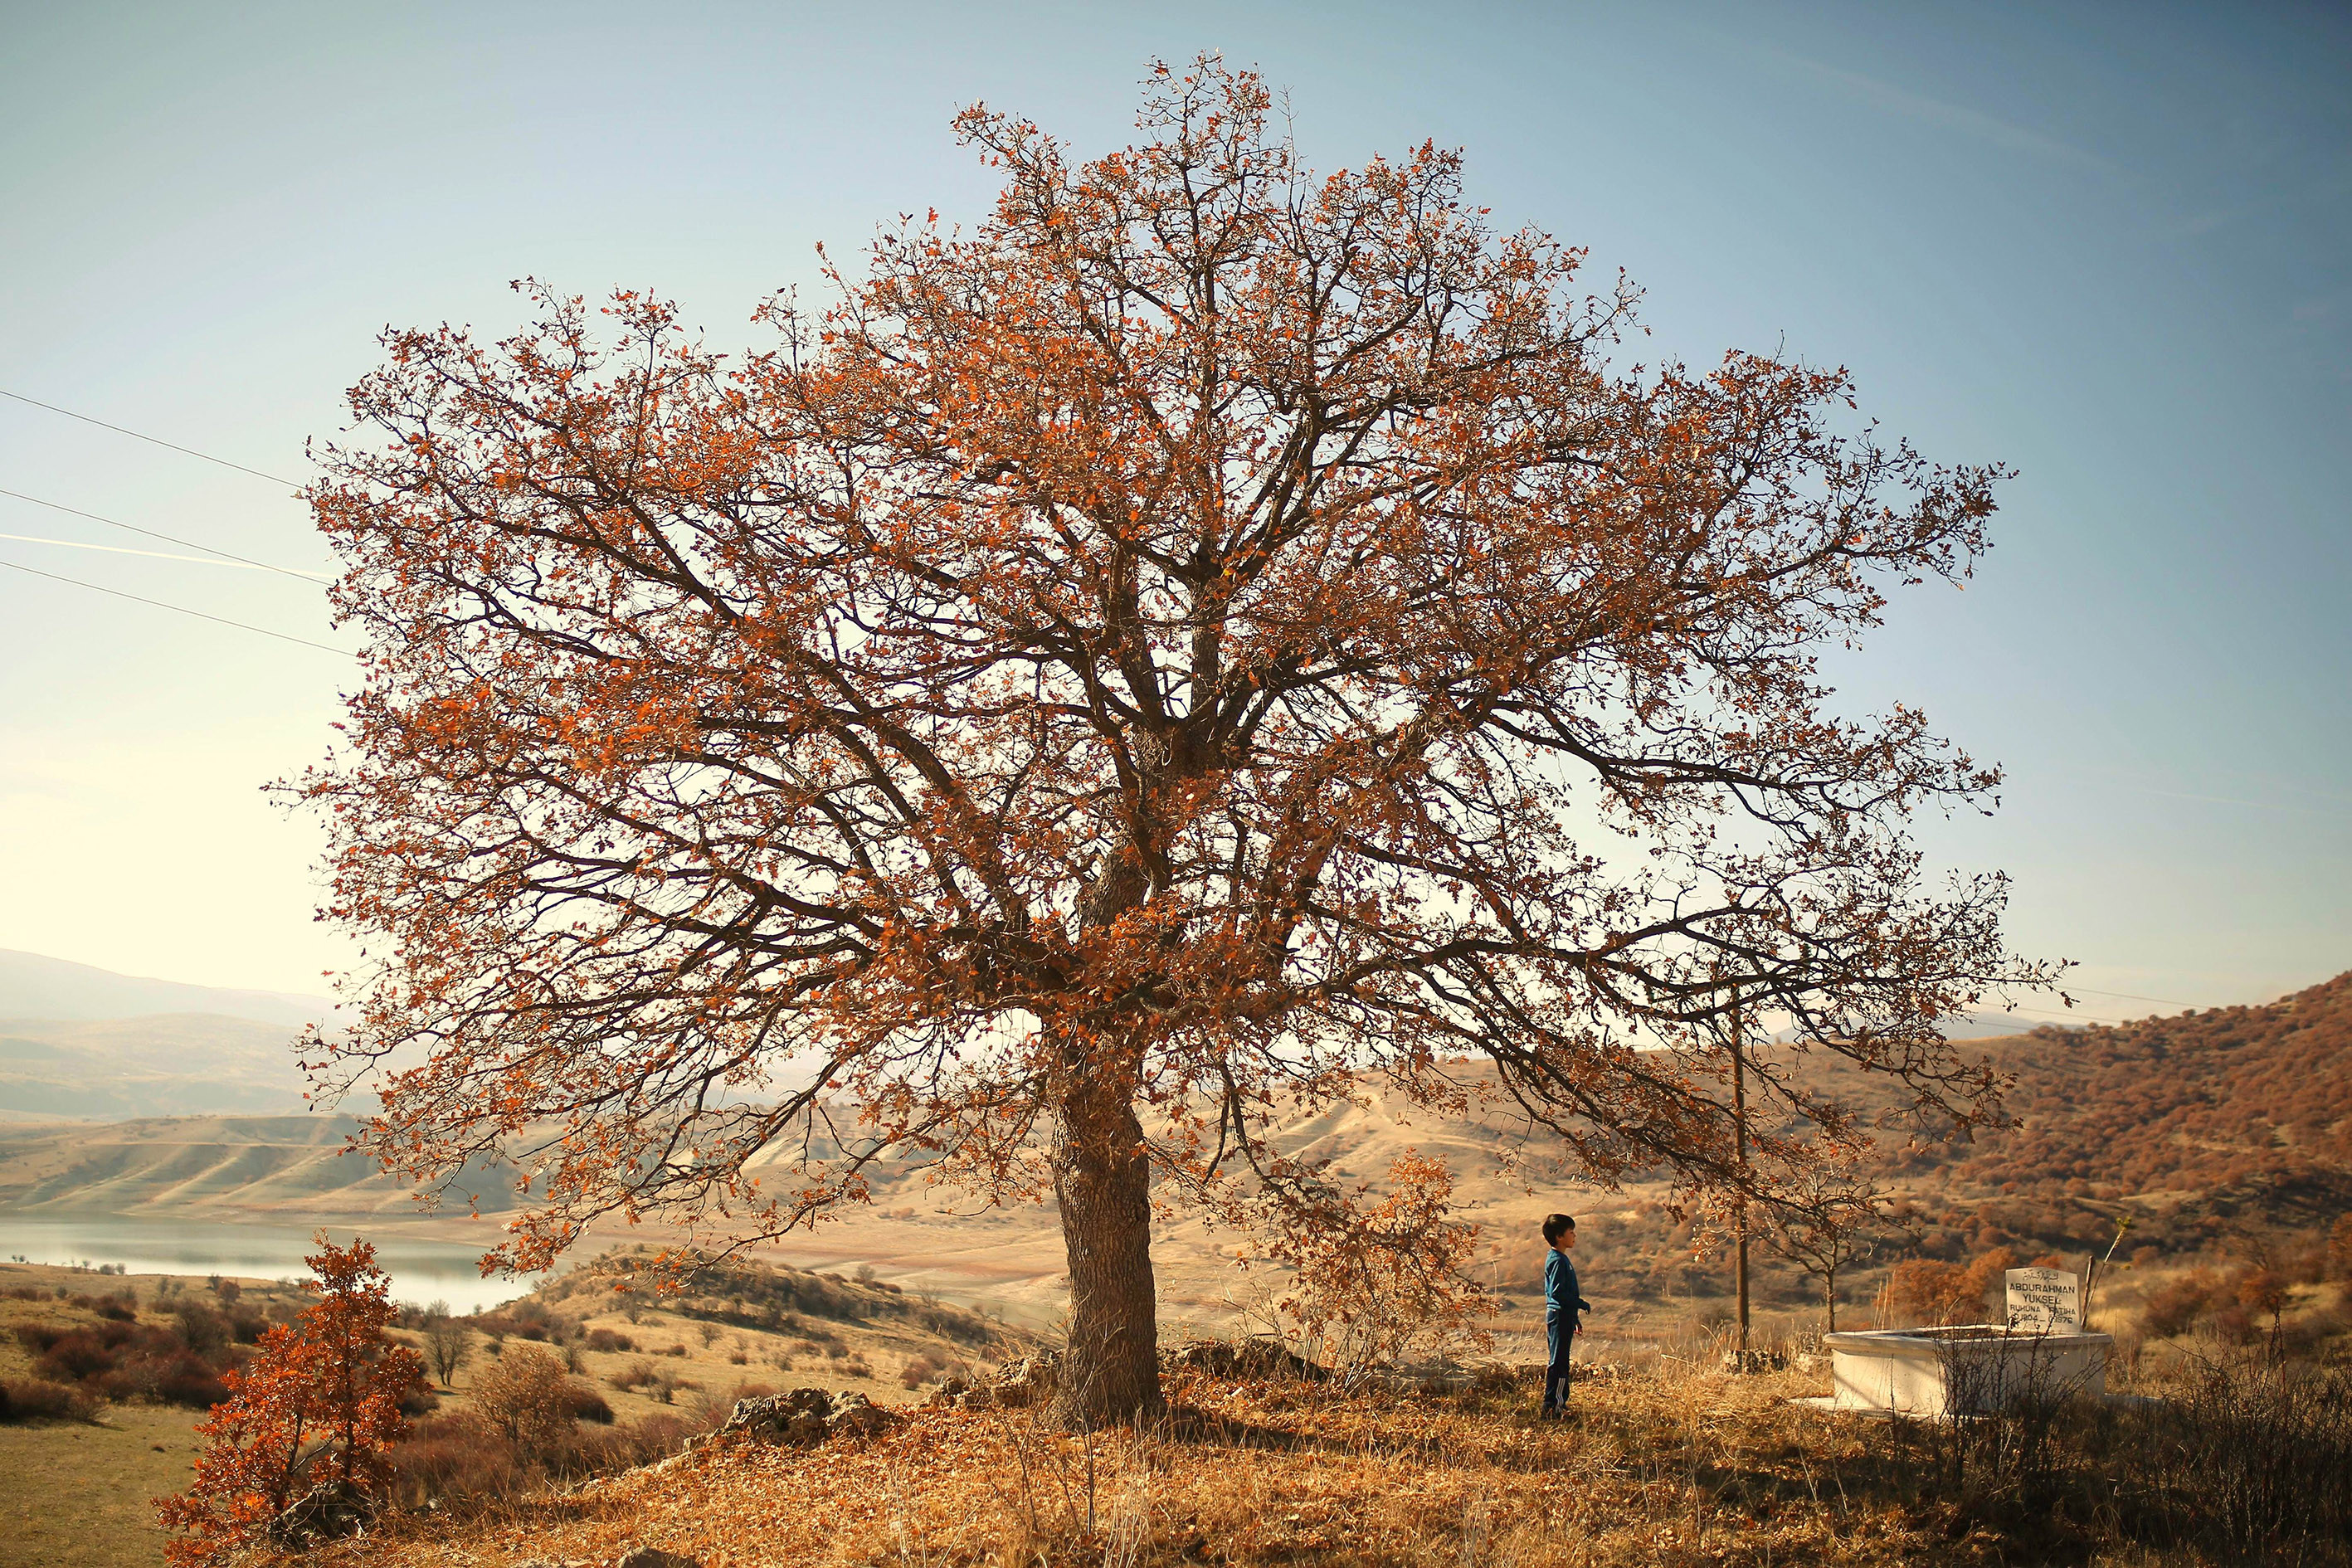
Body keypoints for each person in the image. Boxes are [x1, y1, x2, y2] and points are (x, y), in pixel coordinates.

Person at [1541, 1212, 1591, 1418]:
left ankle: (1554, 1403)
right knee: (1559, 1362)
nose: (1574, 1235)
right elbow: (1559, 1293)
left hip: (1563, 1316)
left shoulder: (1560, 1258)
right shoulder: (1558, 1261)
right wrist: (1580, 1304)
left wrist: (1574, 1318)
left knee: (1559, 1360)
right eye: (1571, 1232)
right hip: (1559, 1316)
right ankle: (1555, 1406)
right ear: (1559, 1236)